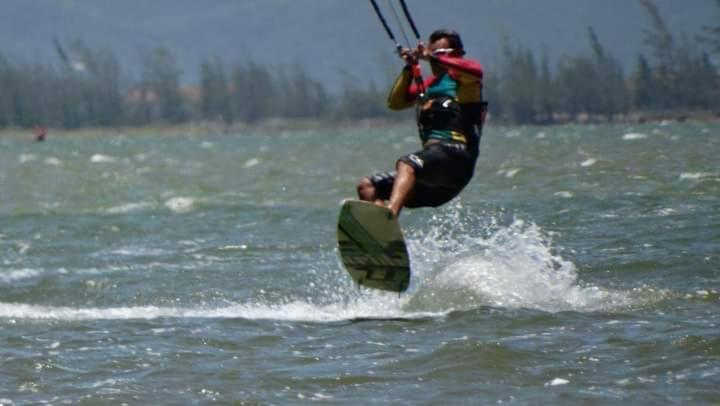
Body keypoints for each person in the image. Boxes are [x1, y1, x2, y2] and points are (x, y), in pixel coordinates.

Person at [356, 29, 487, 217]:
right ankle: (385, 238)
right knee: (367, 186)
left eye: (440, 54)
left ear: (457, 55)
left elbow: (475, 71)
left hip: (457, 161)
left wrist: (432, 57)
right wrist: (410, 66)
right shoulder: (428, 87)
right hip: (433, 179)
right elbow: (395, 103)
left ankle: (390, 214)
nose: (434, 59)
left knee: (406, 164)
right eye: (432, 53)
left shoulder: (466, 83)